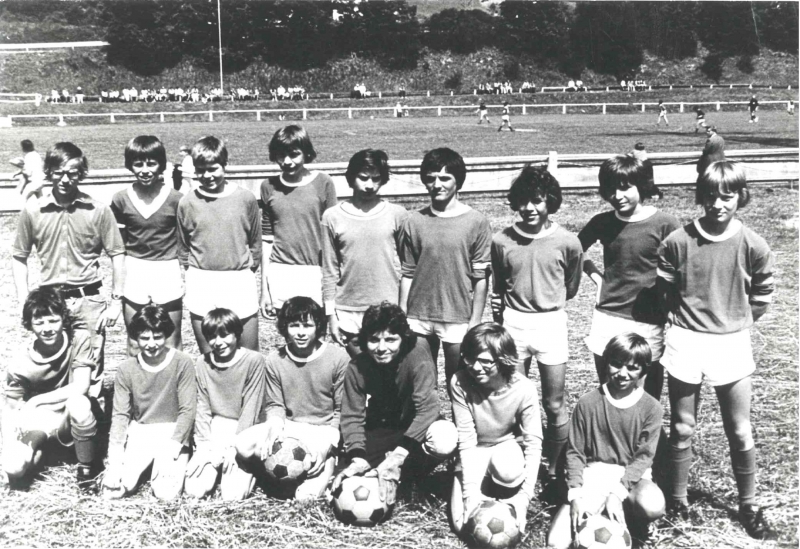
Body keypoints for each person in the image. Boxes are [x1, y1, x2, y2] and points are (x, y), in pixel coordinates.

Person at [657, 161, 775, 539]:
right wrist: (687, 322)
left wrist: (732, 322)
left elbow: (760, 300)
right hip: (686, 340)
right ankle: (677, 500)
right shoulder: (677, 241)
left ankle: (749, 503)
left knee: (739, 429)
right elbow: (666, 293)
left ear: (741, 196)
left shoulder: (754, 245)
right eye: (710, 196)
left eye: (727, 196)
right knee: (682, 425)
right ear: (700, 197)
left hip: (731, 342)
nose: (719, 204)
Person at [490, 166, 582, 485]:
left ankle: (555, 470)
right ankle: (512, 463)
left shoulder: (568, 242)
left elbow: (570, 286)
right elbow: (501, 283)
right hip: (514, 324)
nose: (530, 208)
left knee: (553, 402)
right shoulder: (502, 240)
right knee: (511, 395)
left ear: (550, 202)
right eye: (523, 201)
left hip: (551, 325)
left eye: (538, 200)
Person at [12, 142, 125, 377]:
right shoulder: (33, 211)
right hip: (51, 303)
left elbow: (117, 255)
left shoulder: (99, 210)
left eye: (72, 173)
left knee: (91, 367)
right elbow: (19, 257)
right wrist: (25, 299)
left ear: (81, 174)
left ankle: (91, 412)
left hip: (89, 301)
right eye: (58, 173)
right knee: (55, 367)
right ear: (49, 172)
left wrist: (116, 302)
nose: (65, 180)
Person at [546, 333, 665, 549]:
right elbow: (575, 453)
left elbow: (643, 458)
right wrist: (575, 495)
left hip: (631, 477)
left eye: (632, 368)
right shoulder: (587, 403)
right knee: (555, 543)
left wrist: (617, 494)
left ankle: (630, 515)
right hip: (594, 474)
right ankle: (602, 513)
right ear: (606, 362)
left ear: (644, 371)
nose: (622, 373)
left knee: (653, 505)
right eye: (616, 364)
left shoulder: (652, 408)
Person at [332, 302, 457, 507]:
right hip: (382, 428)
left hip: (414, 427)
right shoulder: (357, 367)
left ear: (403, 339)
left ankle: (407, 477)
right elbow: (352, 416)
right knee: (350, 470)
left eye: (390, 339)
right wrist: (357, 456)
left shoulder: (418, 355)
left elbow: (428, 409)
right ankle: (387, 473)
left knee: (445, 438)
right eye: (374, 340)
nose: (382, 348)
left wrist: (399, 455)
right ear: (364, 340)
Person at [578, 155, 680, 400]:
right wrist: (597, 277)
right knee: (610, 392)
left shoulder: (665, 224)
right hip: (608, 316)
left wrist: (670, 304)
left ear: (642, 186)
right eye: (610, 189)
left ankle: (644, 438)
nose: (617, 195)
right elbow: (573, 250)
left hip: (648, 319)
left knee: (647, 396)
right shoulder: (602, 222)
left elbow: (682, 268)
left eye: (625, 188)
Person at [237, 297, 348, 501]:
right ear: (284, 327)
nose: (301, 332)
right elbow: (275, 404)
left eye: (307, 325)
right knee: (243, 445)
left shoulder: (339, 358)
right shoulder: (274, 360)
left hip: (322, 430)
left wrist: (326, 446)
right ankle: (266, 471)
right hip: (290, 426)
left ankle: (329, 462)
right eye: (294, 325)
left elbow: (342, 410)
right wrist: (274, 427)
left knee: (305, 497)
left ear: (318, 326)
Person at [399, 148, 492, 385]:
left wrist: (475, 320)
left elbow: (480, 277)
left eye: (444, 178)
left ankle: (462, 423)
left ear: (458, 181)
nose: (437, 185)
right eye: (430, 179)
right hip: (419, 316)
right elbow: (407, 272)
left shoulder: (476, 222)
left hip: (457, 316)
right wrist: (402, 316)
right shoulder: (413, 221)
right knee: (422, 383)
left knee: (459, 383)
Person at [449, 323, 543, 537]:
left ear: (503, 360)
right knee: (461, 525)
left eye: (485, 361)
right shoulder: (460, 381)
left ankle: (498, 487)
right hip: (475, 450)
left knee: (509, 471)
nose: (475, 367)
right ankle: (463, 477)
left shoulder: (524, 388)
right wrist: (469, 493)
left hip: (504, 446)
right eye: (469, 359)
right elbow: (466, 439)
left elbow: (534, 444)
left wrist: (524, 498)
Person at [1, 288, 101, 488]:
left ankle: (87, 469)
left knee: (80, 403)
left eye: (53, 320)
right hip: (40, 421)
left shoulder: (78, 338)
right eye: (39, 322)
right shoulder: (21, 360)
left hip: (67, 415)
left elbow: (81, 385)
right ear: (29, 324)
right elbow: (10, 408)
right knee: (14, 468)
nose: (47, 328)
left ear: (63, 319)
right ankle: (47, 452)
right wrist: (9, 448)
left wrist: (36, 400)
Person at [102, 304, 196, 500]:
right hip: (142, 431)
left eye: (157, 337)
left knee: (166, 494)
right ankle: (141, 467)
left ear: (166, 335)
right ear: (136, 338)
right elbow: (120, 415)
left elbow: (187, 410)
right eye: (144, 338)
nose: (151, 344)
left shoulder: (182, 362)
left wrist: (174, 446)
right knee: (116, 489)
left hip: (173, 432)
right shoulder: (126, 369)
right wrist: (115, 458)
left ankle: (161, 467)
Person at [177, 136, 262, 353]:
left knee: (248, 353)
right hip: (202, 279)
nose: (207, 175)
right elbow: (184, 246)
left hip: (238, 278)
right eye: (201, 170)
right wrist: (194, 270)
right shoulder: (187, 202)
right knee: (211, 353)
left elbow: (255, 241)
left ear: (224, 165)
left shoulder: (245, 198)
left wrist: (247, 266)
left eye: (213, 168)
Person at [322, 150, 407, 357]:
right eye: (363, 178)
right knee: (361, 372)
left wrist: (403, 309)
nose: (369, 185)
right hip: (348, 308)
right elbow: (329, 269)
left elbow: (407, 267)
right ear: (351, 178)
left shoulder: (398, 215)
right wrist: (330, 315)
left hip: (388, 306)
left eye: (376, 179)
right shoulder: (332, 216)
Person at [111, 136, 184, 355]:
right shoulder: (120, 199)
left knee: (171, 338)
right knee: (135, 340)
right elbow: (119, 245)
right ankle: (138, 387)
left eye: (151, 163)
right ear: (130, 165)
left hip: (167, 269)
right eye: (138, 164)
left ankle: (173, 387)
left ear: (161, 164)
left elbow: (184, 240)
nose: (145, 170)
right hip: (134, 269)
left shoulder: (177, 199)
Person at [184, 309, 266, 501]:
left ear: (237, 333)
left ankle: (252, 469)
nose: (218, 342)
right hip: (217, 428)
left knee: (233, 495)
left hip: (246, 431)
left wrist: (235, 448)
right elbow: (202, 407)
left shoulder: (254, 361)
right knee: (195, 490)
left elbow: (251, 408)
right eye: (212, 337)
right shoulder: (203, 363)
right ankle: (215, 466)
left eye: (225, 335)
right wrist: (203, 447)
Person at [259, 125, 337, 317]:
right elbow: (267, 240)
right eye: (281, 155)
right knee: (290, 335)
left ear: (306, 153)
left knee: (316, 333)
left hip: (315, 270)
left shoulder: (323, 183)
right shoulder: (268, 186)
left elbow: (334, 236)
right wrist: (264, 290)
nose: (287, 161)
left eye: (294, 155)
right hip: (281, 271)